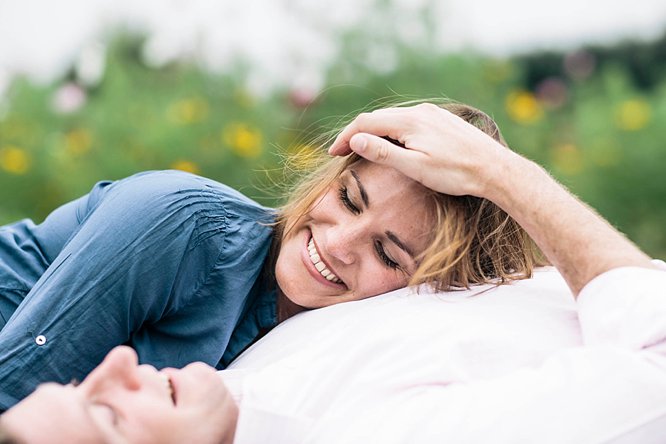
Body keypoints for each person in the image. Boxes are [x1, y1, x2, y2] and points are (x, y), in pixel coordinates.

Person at [1, 102, 664, 443]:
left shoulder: (356, 343)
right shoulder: (178, 226)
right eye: (348, 199)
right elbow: (16, 395)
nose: (339, 243)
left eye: (387, 253)